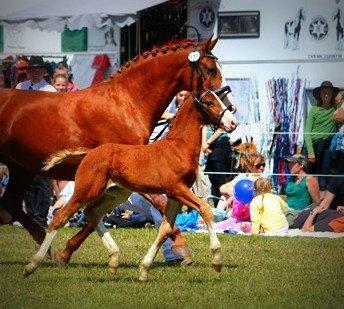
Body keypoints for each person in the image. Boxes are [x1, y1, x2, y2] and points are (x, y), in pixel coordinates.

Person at [15, 56, 56, 227]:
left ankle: (40, 217)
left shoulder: (50, 90)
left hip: (42, 138)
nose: (36, 72)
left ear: (44, 71)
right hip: (23, 139)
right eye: (33, 69)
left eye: (39, 70)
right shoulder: (20, 87)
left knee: (41, 179)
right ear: (29, 71)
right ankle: (31, 216)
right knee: (27, 179)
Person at [304, 81, 339, 188]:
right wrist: (310, 152)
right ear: (320, 94)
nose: (327, 95)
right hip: (314, 146)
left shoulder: (335, 109)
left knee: (324, 180)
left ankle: (323, 203)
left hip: (327, 147)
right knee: (312, 178)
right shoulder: (314, 110)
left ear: (333, 94)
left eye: (329, 92)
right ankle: (312, 202)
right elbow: (307, 132)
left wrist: (341, 94)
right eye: (324, 92)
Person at [203, 126, 232, 206]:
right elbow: (204, 127)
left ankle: (224, 207)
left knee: (220, 182)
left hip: (221, 147)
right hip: (211, 148)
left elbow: (221, 129)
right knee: (213, 180)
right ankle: (217, 209)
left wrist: (207, 142)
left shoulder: (219, 115)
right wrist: (204, 145)